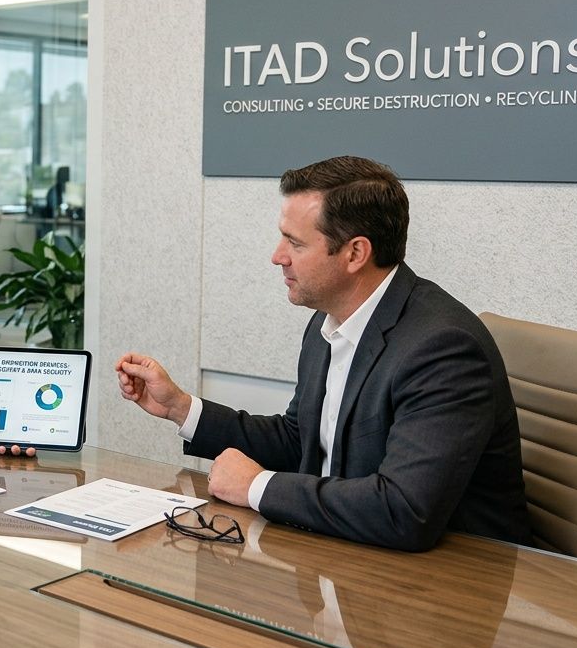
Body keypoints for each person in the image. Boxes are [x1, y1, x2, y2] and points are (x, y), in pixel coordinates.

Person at [115, 155, 531, 552]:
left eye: (294, 243)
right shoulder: (328, 320)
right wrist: (181, 408)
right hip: (348, 553)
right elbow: (301, 440)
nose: (277, 256)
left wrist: (258, 486)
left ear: (354, 253)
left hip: (455, 581)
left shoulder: (443, 349)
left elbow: (405, 510)